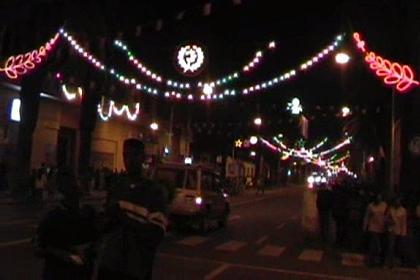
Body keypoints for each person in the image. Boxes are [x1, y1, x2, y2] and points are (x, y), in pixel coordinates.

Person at [97, 138, 168, 280]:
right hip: (110, 263)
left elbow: (156, 233)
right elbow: (104, 223)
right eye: (126, 155)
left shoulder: (153, 191)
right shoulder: (117, 185)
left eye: (134, 155)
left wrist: (124, 218)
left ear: (142, 157)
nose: (129, 160)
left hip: (136, 267)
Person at [33, 168, 98, 280]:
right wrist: (63, 255)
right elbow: (39, 247)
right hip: (60, 272)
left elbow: (97, 240)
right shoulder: (53, 216)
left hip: (78, 272)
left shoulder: (88, 213)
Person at [364, 193, 387, 267]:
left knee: (380, 246)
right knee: (375, 245)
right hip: (373, 227)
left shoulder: (384, 205)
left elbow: (386, 216)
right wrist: (365, 226)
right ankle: (371, 261)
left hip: (382, 228)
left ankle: (377, 261)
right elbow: (367, 216)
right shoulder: (370, 206)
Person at [385, 196, 407, 268]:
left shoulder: (403, 210)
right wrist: (389, 222)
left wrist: (403, 233)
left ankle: (397, 262)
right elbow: (386, 219)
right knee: (390, 247)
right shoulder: (391, 209)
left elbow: (403, 223)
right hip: (391, 230)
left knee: (398, 248)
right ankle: (389, 263)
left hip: (399, 231)